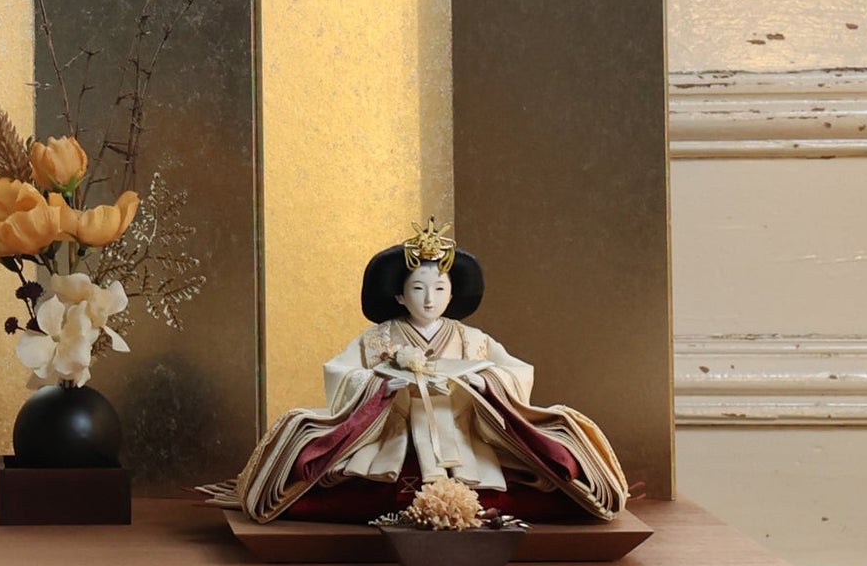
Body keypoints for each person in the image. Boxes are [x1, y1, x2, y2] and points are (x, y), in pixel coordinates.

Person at [233, 220, 628, 524]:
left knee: (519, 479)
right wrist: (378, 385)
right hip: (396, 433)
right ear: (400, 295)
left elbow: (516, 370)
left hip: (461, 431)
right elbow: (340, 371)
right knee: (351, 486)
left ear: (452, 295)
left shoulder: (472, 339)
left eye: (439, 289)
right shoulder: (380, 337)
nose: (428, 299)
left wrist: (485, 383)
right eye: (418, 289)